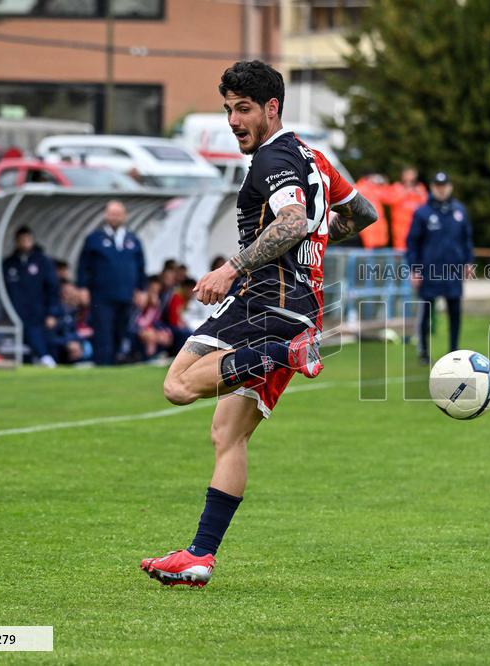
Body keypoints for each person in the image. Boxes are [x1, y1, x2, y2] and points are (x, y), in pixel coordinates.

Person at [139, 60, 378, 588]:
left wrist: (232, 266)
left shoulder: (274, 158)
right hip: (299, 306)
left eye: (243, 109)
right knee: (227, 435)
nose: (232, 120)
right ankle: (200, 557)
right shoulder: (315, 157)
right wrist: (318, 236)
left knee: (178, 386)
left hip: (267, 300)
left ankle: (286, 352)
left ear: (272, 107)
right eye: (228, 109)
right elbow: (362, 214)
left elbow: (292, 220)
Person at [406, 171, 474, 364]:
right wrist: (415, 269)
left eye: (444, 186)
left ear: (450, 187)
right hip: (430, 271)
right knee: (426, 312)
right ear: (432, 187)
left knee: (455, 311)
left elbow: (466, 240)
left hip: (453, 270)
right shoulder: (422, 213)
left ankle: (454, 350)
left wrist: (468, 262)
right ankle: (424, 352)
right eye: (437, 186)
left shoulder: (459, 211)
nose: (441, 190)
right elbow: (413, 244)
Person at [76, 200, 146, 366]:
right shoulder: (94, 239)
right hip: (101, 295)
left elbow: (141, 267)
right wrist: (82, 288)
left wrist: (141, 290)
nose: (115, 217)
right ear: (106, 215)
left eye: (118, 214)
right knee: (103, 331)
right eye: (111, 213)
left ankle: (114, 362)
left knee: (120, 330)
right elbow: (83, 266)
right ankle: (103, 364)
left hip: (125, 294)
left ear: (124, 216)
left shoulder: (133, 240)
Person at [3, 226, 59, 367]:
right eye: (22, 240)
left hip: (38, 311)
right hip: (15, 312)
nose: (25, 243)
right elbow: (0, 289)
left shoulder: (43, 262)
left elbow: (52, 288)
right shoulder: (8, 264)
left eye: (28, 239)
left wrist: (52, 312)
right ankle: (40, 358)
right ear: (16, 241)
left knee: (37, 335)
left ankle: (45, 358)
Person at [388, 167, 427, 252]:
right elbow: (390, 200)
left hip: (417, 227)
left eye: (412, 174)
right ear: (403, 176)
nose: (410, 177)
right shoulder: (396, 187)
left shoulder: (420, 188)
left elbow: (426, 204)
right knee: (401, 255)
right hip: (400, 229)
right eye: (408, 174)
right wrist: (406, 192)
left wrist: (419, 194)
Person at [354, 174, 391, 249]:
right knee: (369, 250)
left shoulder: (376, 188)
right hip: (367, 225)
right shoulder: (359, 187)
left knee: (380, 248)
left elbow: (388, 198)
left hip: (379, 225)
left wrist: (385, 184)